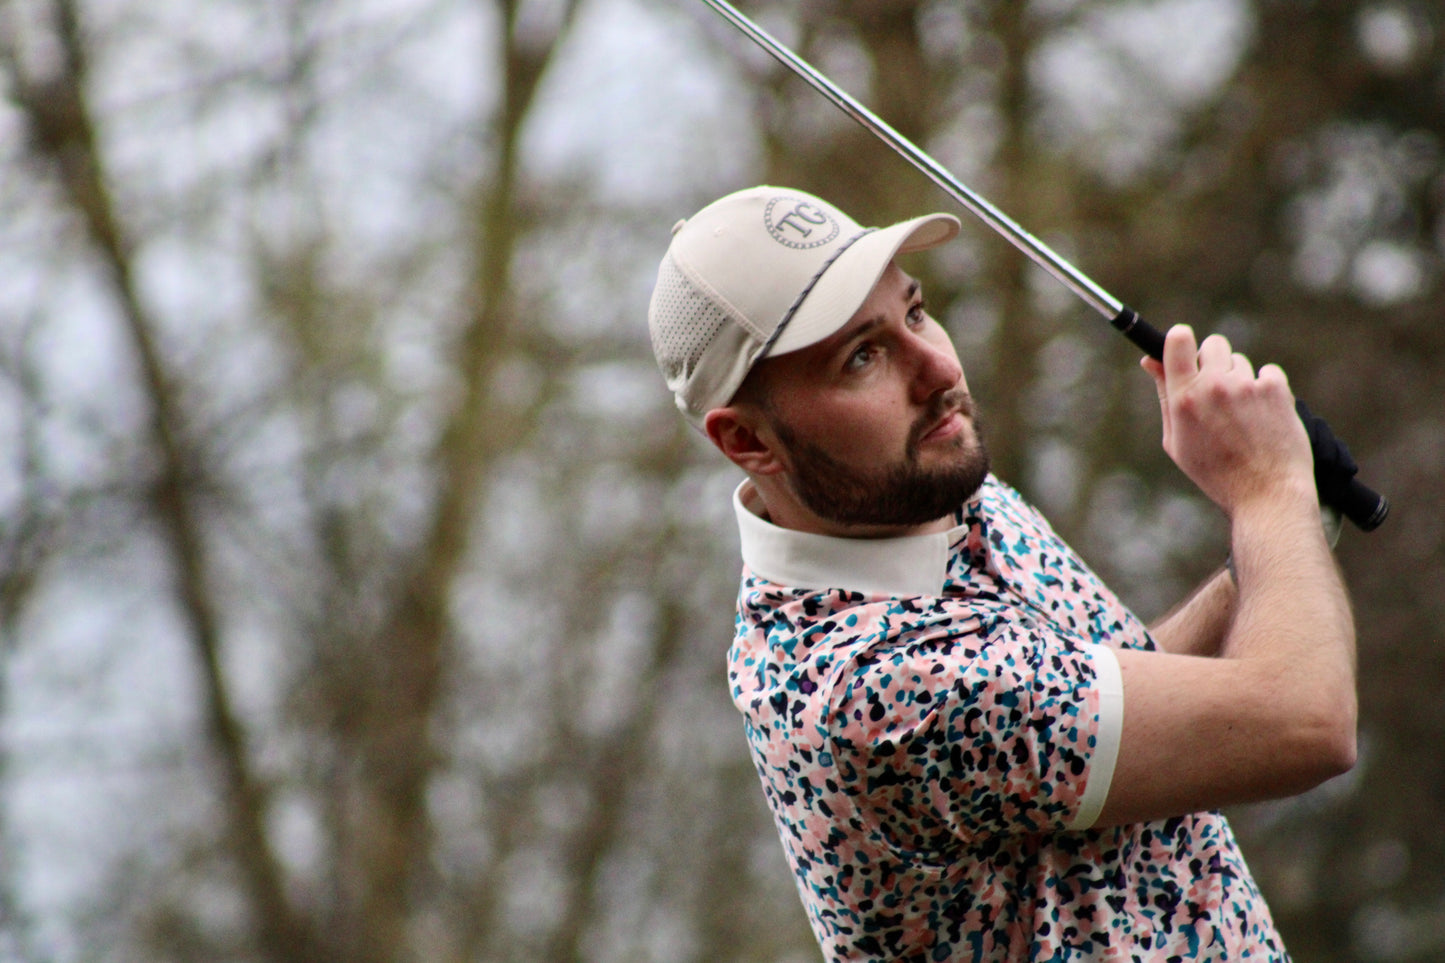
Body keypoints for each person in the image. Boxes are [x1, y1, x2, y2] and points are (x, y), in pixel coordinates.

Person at [647, 185, 1356, 961]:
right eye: (862, 356)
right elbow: (1304, 723)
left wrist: (1272, 544)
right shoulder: (866, 686)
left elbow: (1086, 715)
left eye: (915, 314)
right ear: (748, 442)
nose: (938, 368)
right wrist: (1265, 490)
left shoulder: (931, 487)